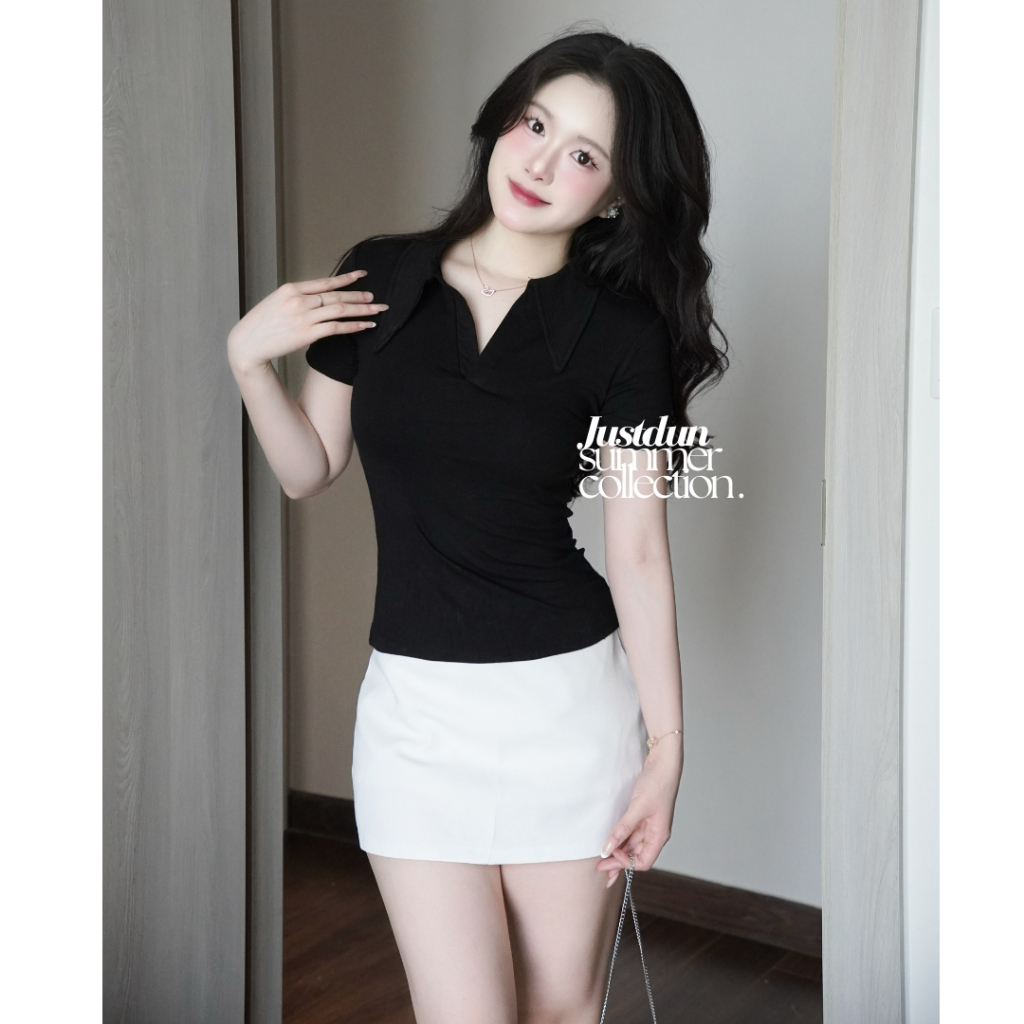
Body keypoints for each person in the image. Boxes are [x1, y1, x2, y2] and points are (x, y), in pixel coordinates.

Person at [228, 28, 727, 1024]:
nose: (541, 163)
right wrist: (249, 361)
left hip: (566, 713)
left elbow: (636, 552)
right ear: (501, 121)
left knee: (558, 1010)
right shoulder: (380, 277)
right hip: (415, 719)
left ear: (616, 193)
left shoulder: (624, 334)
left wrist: (666, 749)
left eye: (583, 154)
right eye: (534, 124)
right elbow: (308, 469)